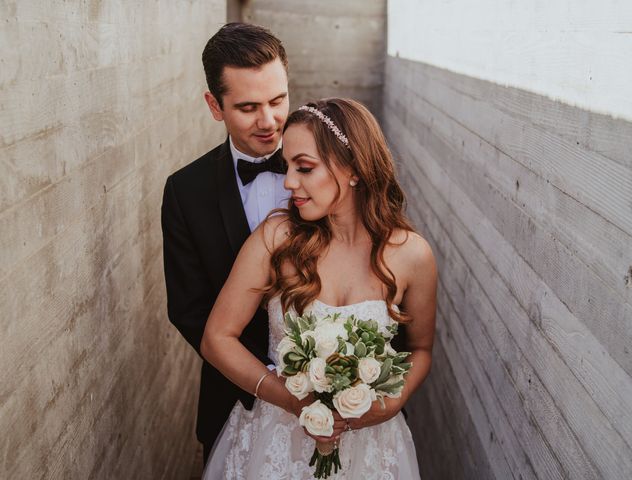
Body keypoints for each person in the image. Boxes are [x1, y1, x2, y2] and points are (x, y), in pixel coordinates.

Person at [200, 98, 437, 478]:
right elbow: (217, 337)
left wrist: (393, 402)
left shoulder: (412, 255)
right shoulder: (276, 237)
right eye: (288, 166)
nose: (289, 181)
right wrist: (292, 399)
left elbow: (421, 350)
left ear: (355, 169)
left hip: (372, 447)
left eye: (304, 168)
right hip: (275, 439)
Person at [161, 23, 290, 464]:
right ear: (214, 106)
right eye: (249, 107)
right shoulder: (184, 191)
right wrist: (268, 379)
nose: (269, 121)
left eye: (278, 101)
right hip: (234, 401)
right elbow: (189, 309)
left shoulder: (330, 166)